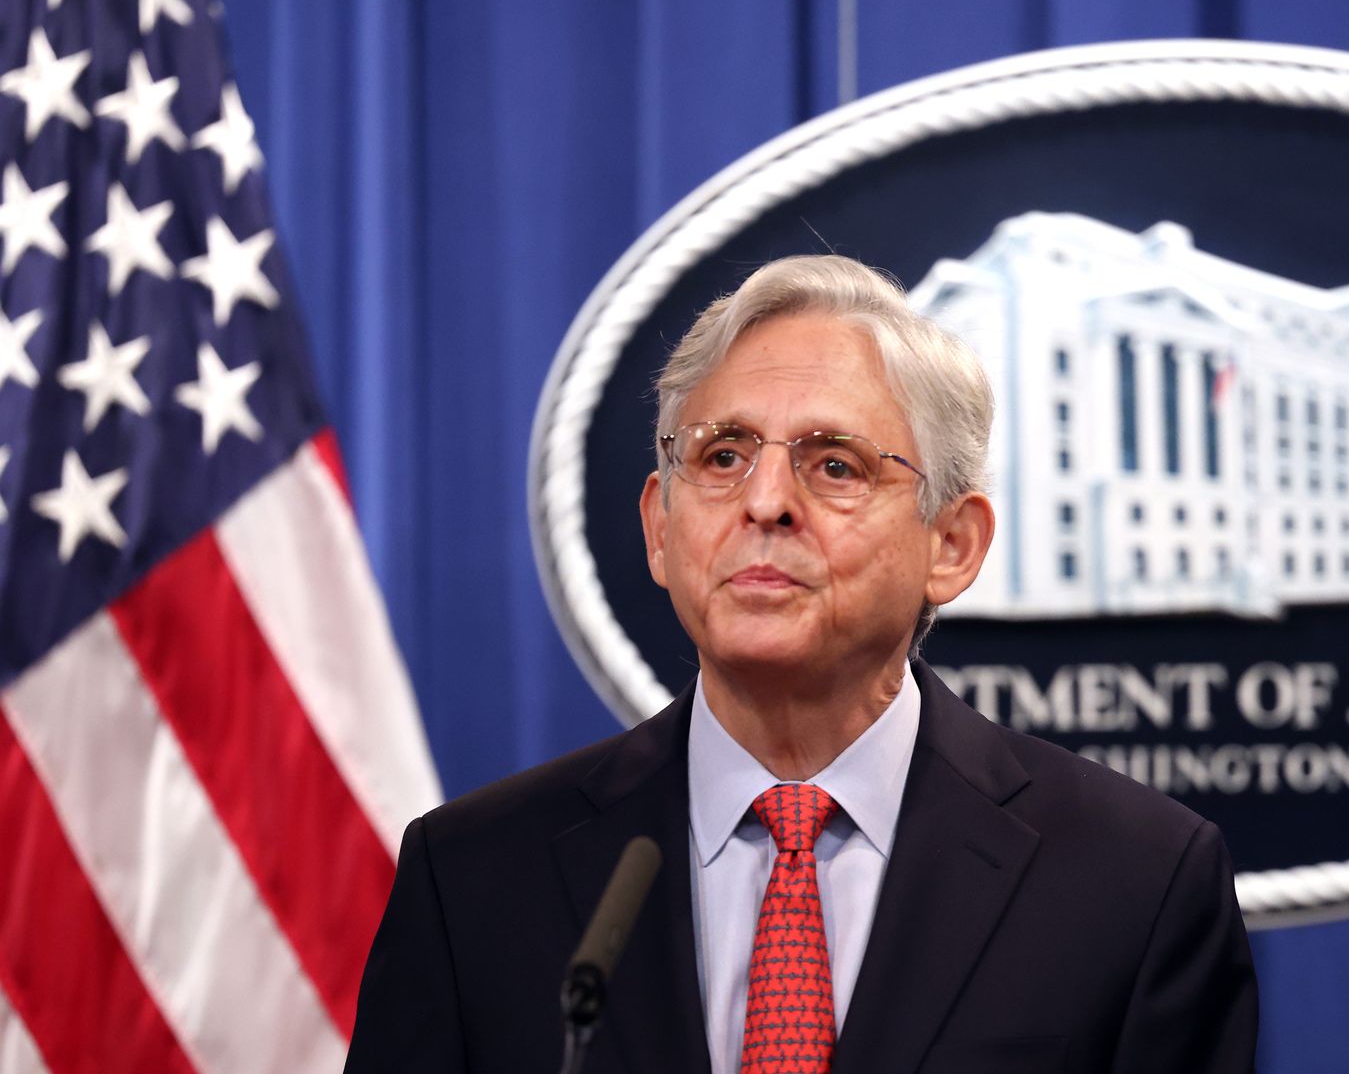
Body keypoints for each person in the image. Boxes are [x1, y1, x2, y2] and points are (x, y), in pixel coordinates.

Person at [345, 256, 1259, 1073]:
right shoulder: (473, 880)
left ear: (952, 542)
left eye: (834, 465)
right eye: (725, 455)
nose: (767, 502)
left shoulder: (1133, 882)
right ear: (661, 528)